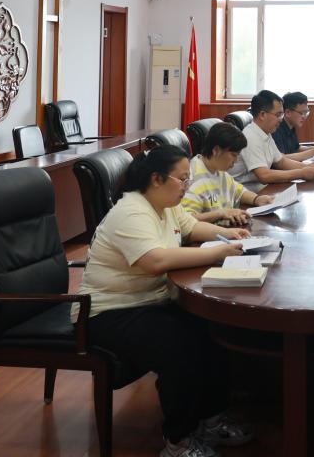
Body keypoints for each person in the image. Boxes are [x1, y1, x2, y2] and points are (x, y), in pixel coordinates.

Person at [71, 145, 255, 457]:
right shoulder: (131, 211)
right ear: (156, 179)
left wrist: (229, 235)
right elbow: (154, 261)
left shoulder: (167, 204)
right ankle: (178, 441)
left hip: (150, 301)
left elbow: (192, 227)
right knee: (179, 345)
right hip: (108, 312)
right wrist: (217, 252)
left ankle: (211, 420)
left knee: (213, 328)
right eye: (182, 179)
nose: (187, 186)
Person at [182, 122, 276, 226]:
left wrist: (257, 199)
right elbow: (186, 220)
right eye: (233, 155)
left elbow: (238, 191)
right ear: (216, 150)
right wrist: (221, 214)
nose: (235, 161)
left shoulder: (218, 170)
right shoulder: (193, 179)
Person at [229, 90, 314, 192]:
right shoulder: (250, 137)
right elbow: (264, 175)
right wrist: (301, 173)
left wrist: (308, 167)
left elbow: (281, 162)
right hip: (245, 194)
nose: (281, 119)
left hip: (262, 188)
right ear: (262, 115)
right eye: (278, 115)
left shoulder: (265, 133)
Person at [272, 91, 314, 161]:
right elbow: (281, 158)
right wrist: (312, 152)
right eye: (302, 113)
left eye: (306, 112)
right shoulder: (276, 129)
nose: (304, 117)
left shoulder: (291, 126)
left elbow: (296, 148)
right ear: (288, 112)